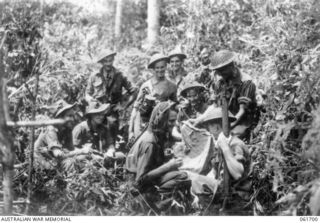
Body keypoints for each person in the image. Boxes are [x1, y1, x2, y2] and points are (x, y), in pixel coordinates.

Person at [125, 101, 191, 211]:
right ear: (161, 119)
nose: (174, 124)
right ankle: (155, 202)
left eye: (175, 120)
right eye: (171, 121)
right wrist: (169, 166)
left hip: (140, 179)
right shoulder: (150, 142)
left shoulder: (154, 133)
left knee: (181, 174)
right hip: (136, 186)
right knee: (182, 177)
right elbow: (140, 180)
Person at [85, 49, 137, 142]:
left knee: (112, 127)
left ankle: (111, 149)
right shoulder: (94, 76)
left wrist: (123, 106)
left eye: (111, 60)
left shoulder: (120, 75)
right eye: (106, 61)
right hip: (97, 109)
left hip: (112, 110)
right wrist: (90, 100)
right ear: (102, 62)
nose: (108, 63)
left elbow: (133, 91)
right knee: (92, 131)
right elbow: (87, 94)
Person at [209, 50, 257, 141]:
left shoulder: (246, 83)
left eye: (223, 71)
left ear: (231, 66)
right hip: (225, 119)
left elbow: (242, 111)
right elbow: (215, 106)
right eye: (218, 71)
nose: (221, 74)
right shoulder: (221, 82)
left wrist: (227, 128)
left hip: (242, 122)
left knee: (229, 139)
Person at [129, 53, 177, 139]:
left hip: (162, 124)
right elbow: (136, 108)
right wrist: (131, 131)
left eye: (162, 67)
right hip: (143, 123)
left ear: (166, 67)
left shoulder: (171, 86)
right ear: (153, 69)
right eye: (157, 68)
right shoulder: (146, 86)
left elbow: (174, 107)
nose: (160, 70)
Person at [34, 100, 90, 169]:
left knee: (84, 159)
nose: (72, 119)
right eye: (69, 116)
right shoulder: (51, 129)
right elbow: (58, 154)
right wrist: (81, 151)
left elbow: (70, 150)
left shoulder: (67, 129)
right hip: (41, 160)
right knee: (70, 163)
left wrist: (85, 152)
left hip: (53, 159)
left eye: (73, 116)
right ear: (60, 117)